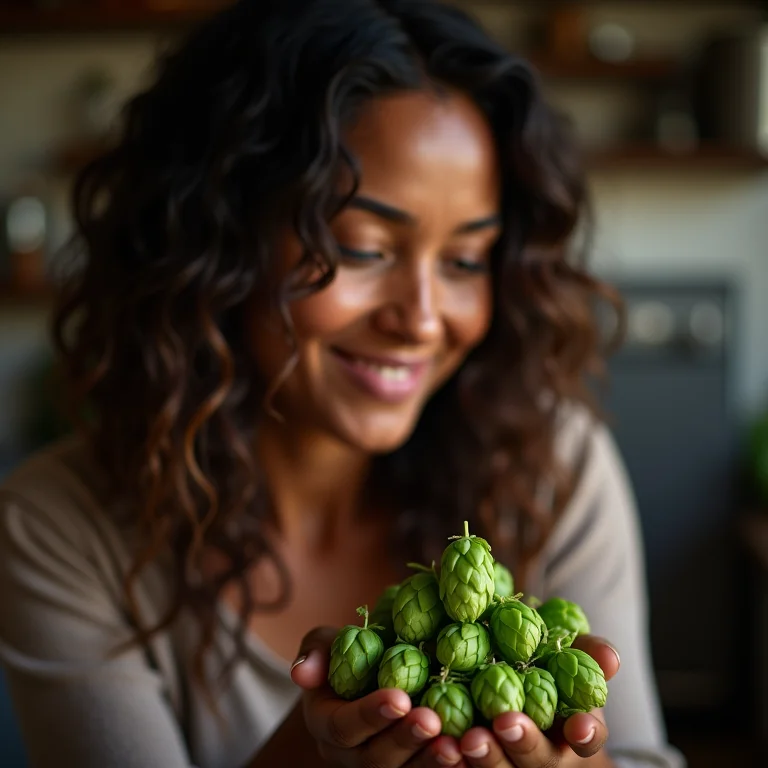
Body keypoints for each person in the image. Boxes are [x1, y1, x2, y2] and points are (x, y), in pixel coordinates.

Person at [0, 1, 686, 766]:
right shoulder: (58, 526)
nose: (422, 320)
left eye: (464, 262)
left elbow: (637, 755)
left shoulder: (554, 461)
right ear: (215, 246)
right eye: (360, 248)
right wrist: (315, 749)